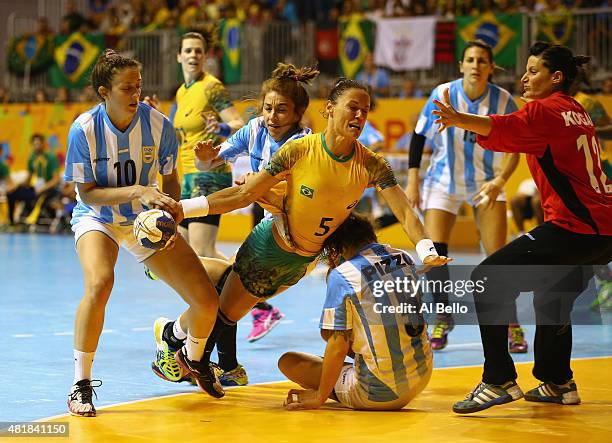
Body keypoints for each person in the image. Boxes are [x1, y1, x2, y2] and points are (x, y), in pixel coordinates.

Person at [155, 78, 450, 389]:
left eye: (365, 111)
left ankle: (182, 339)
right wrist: (183, 209)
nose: (360, 116)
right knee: (225, 311)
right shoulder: (299, 149)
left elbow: (404, 211)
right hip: (270, 245)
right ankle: (187, 354)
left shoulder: (372, 164)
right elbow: (241, 196)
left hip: (304, 259)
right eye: (353, 108)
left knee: (228, 307)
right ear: (330, 109)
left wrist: (427, 249)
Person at [432, 41, 612, 413]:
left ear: (556, 77)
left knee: (488, 279)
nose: (525, 77)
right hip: (604, 230)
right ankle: (558, 382)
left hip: (574, 227)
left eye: (533, 71)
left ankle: (498, 379)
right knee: (552, 296)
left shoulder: (544, 110)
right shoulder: (576, 110)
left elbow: (502, 127)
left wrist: (459, 118)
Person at [64, 50, 224, 417]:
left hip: (145, 221)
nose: (135, 93)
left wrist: (168, 216)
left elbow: (170, 180)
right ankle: (80, 384)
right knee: (100, 283)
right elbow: (87, 192)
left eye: (138, 86)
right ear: (104, 91)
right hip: (98, 219)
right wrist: (138, 190)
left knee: (206, 301)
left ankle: (191, 356)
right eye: (125, 88)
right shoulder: (84, 129)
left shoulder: (159, 125)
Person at [152, 63, 318, 386]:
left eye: (282, 111)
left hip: (294, 241)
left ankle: (177, 339)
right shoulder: (256, 129)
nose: (272, 116)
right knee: (225, 287)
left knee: (225, 293)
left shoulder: (304, 145)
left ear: (298, 114)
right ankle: (224, 365)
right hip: (270, 234)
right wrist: (205, 156)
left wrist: (257, 187)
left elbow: (265, 193)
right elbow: (214, 159)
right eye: (268, 108)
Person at [406, 40, 527, 353]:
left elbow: (516, 147)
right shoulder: (443, 93)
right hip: (443, 180)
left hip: (485, 182)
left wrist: (500, 180)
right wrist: (413, 180)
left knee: (498, 257)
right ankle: (443, 317)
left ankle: (511, 322)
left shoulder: (503, 101)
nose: (475, 65)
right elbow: (419, 136)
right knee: (434, 254)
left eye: (481, 60)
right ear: (461, 65)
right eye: (470, 59)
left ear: (490, 67)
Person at [279, 214, 432, 411]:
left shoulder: (343, 274)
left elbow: (336, 344)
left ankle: (338, 384)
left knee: (289, 361)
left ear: (338, 248)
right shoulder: (405, 257)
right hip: (422, 374)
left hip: (378, 392)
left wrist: (320, 396)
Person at [172, 31, 244, 259]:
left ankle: (244, 292)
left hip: (210, 175)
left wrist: (219, 128)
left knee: (202, 253)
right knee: (185, 252)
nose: (193, 55)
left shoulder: (211, 87)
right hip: (189, 178)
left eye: (198, 51)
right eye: (188, 50)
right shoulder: (181, 92)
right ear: (179, 56)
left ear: (204, 56)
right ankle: (245, 285)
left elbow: (238, 123)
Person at [7, 134, 60, 226]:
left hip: (49, 190)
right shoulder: (32, 158)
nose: (36, 146)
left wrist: (43, 188)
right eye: (34, 144)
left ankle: (33, 219)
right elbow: (28, 179)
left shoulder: (51, 157)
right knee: (12, 193)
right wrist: (16, 186)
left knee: (39, 196)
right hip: (36, 189)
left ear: (43, 144)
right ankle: (12, 223)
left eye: (38, 144)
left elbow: (56, 180)